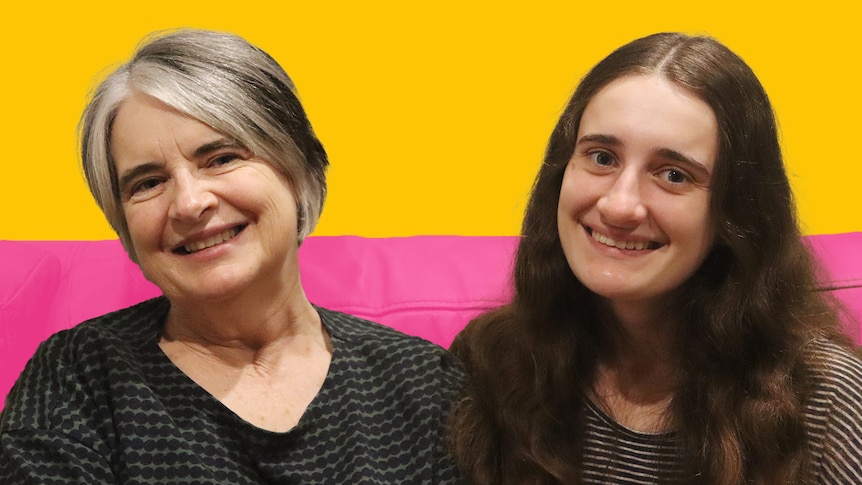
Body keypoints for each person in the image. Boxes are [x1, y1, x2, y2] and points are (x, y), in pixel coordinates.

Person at [0, 29, 464, 483]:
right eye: (148, 183)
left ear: (298, 171)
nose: (188, 203)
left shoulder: (421, 382)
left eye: (221, 158)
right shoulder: (77, 377)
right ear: (123, 227)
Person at [449, 32, 862, 484]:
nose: (619, 205)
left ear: (736, 212)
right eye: (602, 157)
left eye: (673, 175)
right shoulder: (492, 361)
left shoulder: (825, 397)